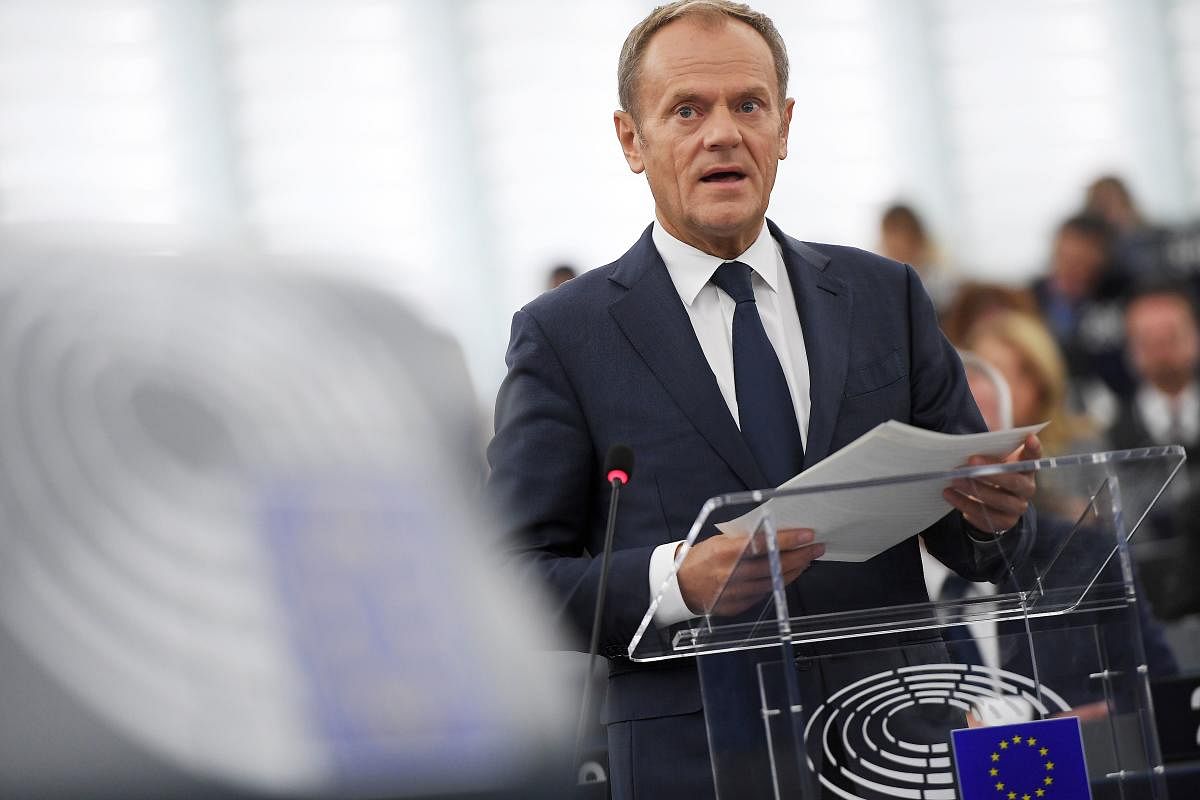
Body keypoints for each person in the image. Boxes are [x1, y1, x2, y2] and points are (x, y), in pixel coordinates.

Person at [487, 3, 1040, 797]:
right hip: (700, 764)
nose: (722, 133)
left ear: (783, 125)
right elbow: (509, 581)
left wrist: (995, 514)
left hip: (897, 747)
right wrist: (676, 581)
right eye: (687, 109)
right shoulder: (566, 337)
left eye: (747, 105)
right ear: (630, 139)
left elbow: (981, 539)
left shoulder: (884, 296)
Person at [963, 310, 1097, 456]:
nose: (1006, 388)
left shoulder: (1082, 450)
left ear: (1044, 388)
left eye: (1023, 373)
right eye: (990, 373)